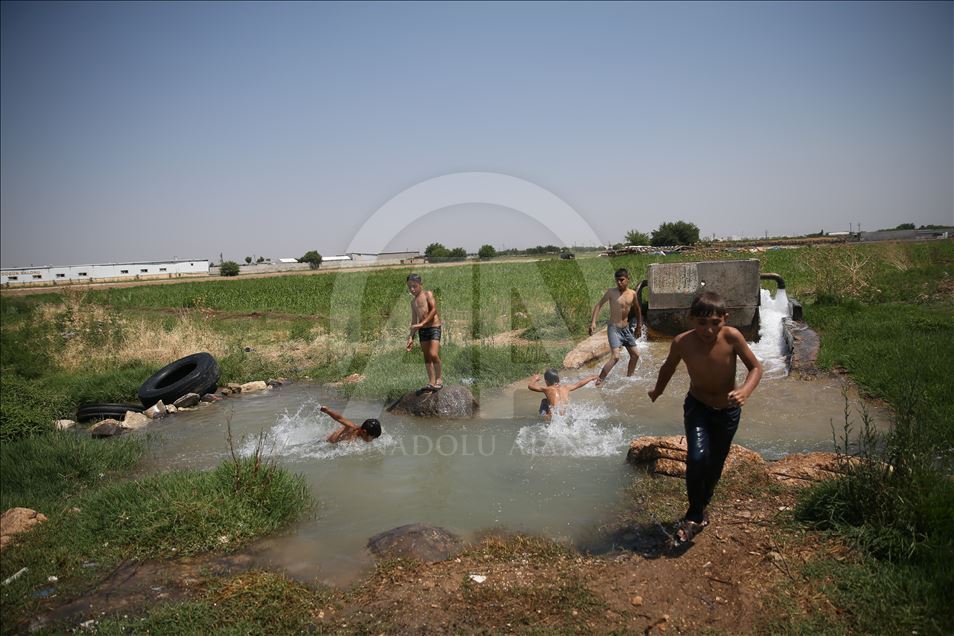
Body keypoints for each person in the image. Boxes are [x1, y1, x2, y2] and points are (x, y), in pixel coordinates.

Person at [647, 290, 763, 544]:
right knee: (697, 457)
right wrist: (657, 390)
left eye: (715, 323)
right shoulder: (682, 342)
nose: (708, 330)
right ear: (691, 318)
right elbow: (668, 367)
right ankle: (694, 514)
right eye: (702, 323)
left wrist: (744, 390)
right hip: (697, 406)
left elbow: (755, 367)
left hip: (728, 412)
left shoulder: (732, 337)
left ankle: (702, 504)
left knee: (715, 462)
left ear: (725, 319)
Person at [589, 268, 643, 386]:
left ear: (628, 280)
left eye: (622, 280)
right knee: (616, 357)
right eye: (617, 280)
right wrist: (593, 322)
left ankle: (629, 378)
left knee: (635, 355)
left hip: (626, 329)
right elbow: (599, 305)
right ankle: (599, 380)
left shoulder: (632, 294)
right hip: (614, 329)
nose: (619, 283)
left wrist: (639, 326)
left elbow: (638, 309)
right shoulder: (611, 292)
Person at [405, 273, 443, 390]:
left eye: (414, 286)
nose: (412, 289)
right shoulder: (413, 302)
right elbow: (413, 321)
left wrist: (421, 323)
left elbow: (434, 310)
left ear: (420, 284)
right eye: (409, 287)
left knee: (433, 354)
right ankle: (431, 382)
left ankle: (439, 379)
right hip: (423, 331)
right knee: (427, 357)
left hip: (434, 328)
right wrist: (411, 337)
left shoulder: (428, 294)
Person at [528, 369, 599, 418]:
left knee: (544, 401)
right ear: (558, 380)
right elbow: (579, 384)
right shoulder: (566, 387)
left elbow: (530, 386)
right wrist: (590, 377)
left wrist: (534, 379)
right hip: (564, 417)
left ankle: (543, 417)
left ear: (546, 382)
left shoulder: (547, 389)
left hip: (552, 419)